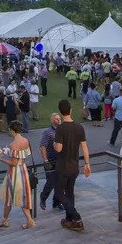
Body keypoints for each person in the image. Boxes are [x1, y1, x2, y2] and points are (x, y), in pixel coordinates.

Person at [53, 99, 91, 232]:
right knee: (70, 193)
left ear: (60, 112)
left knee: (59, 192)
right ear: (70, 110)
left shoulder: (61, 128)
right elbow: (84, 146)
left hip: (63, 166)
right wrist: (87, 163)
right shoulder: (79, 127)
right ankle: (70, 220)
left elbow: (58, 148)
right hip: (74, 166)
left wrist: (54, 143)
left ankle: (76, 216)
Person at [0, 120, 36, 230]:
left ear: (13, 131)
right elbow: (22, 155)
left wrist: (1, 159)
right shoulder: (25, 141)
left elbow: (13, 163)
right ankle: (28, 220)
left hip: (14, 174)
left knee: (9, 198)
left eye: (9, 130)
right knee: (23, 197)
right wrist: (6, 151)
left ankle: (6, 220)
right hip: (23, 170)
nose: (9, 131)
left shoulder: (13, 144)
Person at [38, 113, 62, 211]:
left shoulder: (62, 131)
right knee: (51, 182)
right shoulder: (47, 132)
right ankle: (43, 198)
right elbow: (43, 146)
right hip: (50, 161)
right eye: (56, 119)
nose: (59, 120)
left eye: (59, 118)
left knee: (60, 183)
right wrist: (45, 160)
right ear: (52, 121)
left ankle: (56, 203)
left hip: (61, 161)